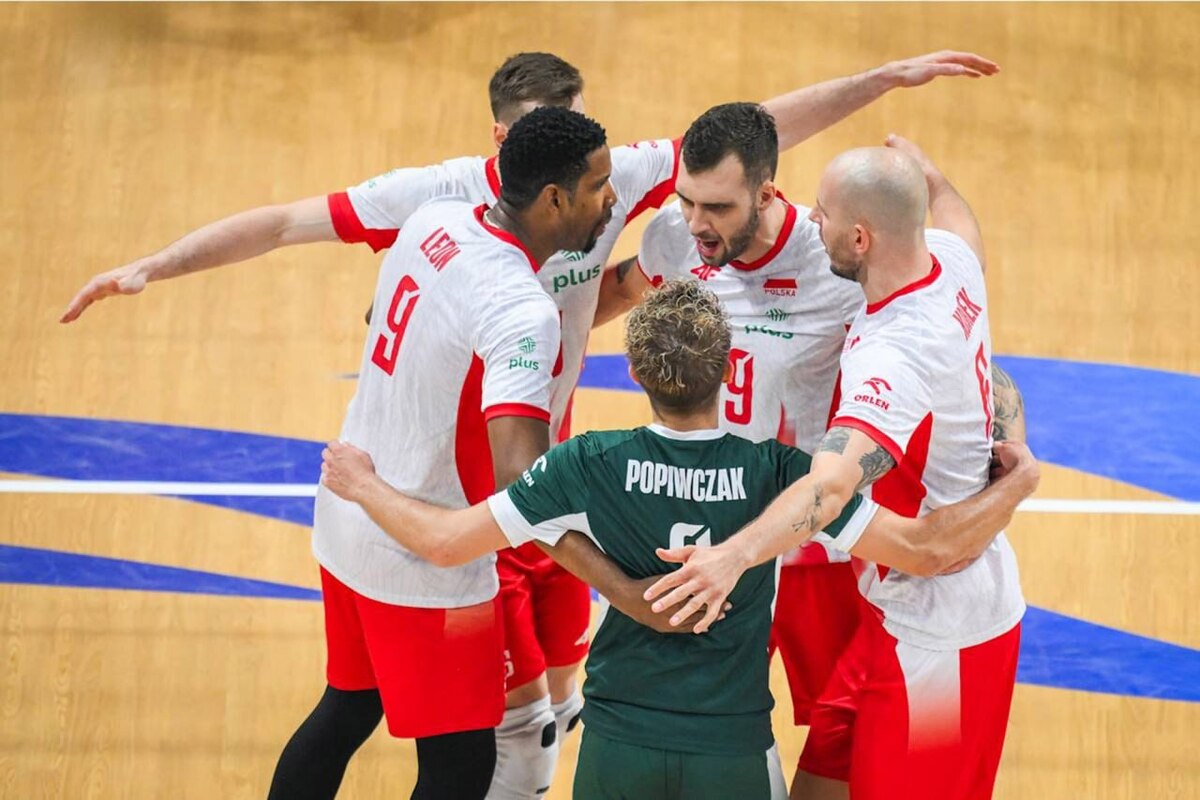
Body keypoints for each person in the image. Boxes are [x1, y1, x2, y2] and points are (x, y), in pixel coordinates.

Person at [60, 51, 1001, 799]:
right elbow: (505, 494)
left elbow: (767, 142)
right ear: (541, 178)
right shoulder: (514, 272)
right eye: (612, 194)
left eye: (703, 202)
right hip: (472, 524)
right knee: (482, 748)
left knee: (387, 708)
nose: (630, 211)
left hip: (815, 557)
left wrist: (884, 86)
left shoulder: (451, 230)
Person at [318, 278, 1039, 800]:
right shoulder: (784, 478)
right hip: (731, 751)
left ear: (635, 373)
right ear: (727, 368)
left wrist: (362, 484)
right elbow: (920, 549)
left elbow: (446, 541)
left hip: (618, 745)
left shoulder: (586, 462)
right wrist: (1014, 481)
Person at [599, 101, 1028, 793]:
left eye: (821, 214)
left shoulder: (891, 353)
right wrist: (926, 173)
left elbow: (850, 501)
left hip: (936, 627)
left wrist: (732, 557)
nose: (807, 219)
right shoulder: (948, 262)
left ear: (860, 237)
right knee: (824, 775)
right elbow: (958, 219)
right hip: (892, 611)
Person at [266, 106, 624, 800]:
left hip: (348, 519)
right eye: (597, 186)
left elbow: (385, 319)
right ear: (554, 199)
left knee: (346, 709)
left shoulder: (436, 220)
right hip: (420, 560)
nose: (611, 200)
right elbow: (523, 478)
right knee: (460, 768)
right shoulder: (520, 308)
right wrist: (617, 553)